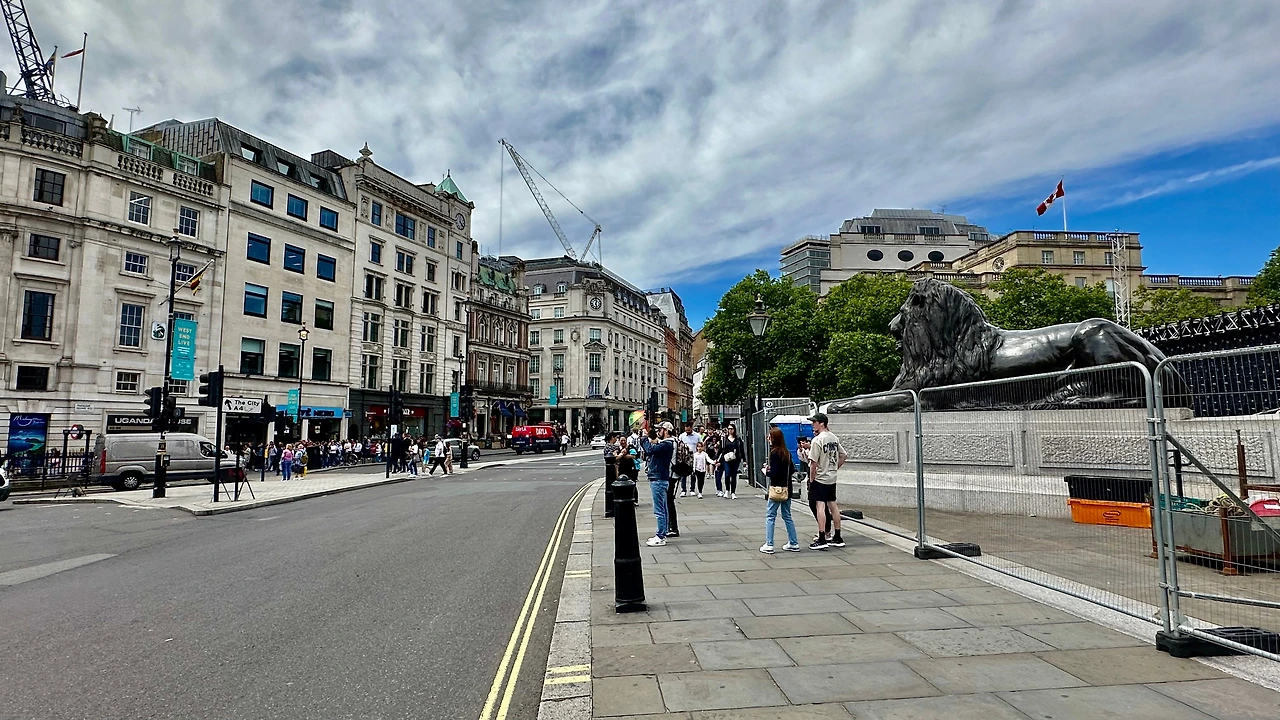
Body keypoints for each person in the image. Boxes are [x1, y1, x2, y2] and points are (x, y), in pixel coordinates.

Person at [807, 412, 848, 550]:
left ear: (822, 423)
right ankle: (838, 536)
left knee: (820, 505)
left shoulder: (817, 440)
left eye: (814, 422)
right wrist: (835, 468)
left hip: (820, 477)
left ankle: (822, 537)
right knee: (833, 505)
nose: (813, 424)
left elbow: (813, 463)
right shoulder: (833, 438)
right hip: (831, 476)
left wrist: (812, 479)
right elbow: (844, 455)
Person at [760, 428, 801, 553]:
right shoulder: (786, 453)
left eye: (770, 437)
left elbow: (775, 473)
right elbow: (792, 469)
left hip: (776, 489)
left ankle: (769, 544)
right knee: (787, 515)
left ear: (774, 438)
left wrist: (766, 471)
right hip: (787, 488)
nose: (768, 439)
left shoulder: (774, 453)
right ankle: (793, 542)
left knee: (770, 515)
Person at [639, 422, 676, 547]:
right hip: (660, 478)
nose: (658, 432)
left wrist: (644, 438)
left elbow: (650, 450)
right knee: (663, 509)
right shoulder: (666, 443)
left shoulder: (667, 444)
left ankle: (660, 536)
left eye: (660, 429)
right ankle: (662, 533)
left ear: (666, 431)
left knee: (659, 510)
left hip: (659, 479)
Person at [720, 425, 745, 499]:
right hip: (726, 459)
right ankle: (727, 490)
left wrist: (744, 460)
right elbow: (721, 450)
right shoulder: (725, 439)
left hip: (735, 459)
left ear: (734, 430)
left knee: (734, 475)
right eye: (729, 429)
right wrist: (718, 460)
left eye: (731, 429)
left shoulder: (738, 439)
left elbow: (742, 450)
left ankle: (733, 492)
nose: (730, 430)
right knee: (727, 474)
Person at [677, 424, 701, 496]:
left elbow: (700, 444)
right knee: (683, 474)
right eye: (686, 430)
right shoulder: (682, 436)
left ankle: (692, 489)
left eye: (688, 430)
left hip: (694, 456)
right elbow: (679, 445)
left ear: (691, 428)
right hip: (684, 457)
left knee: (693, 473)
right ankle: (683, 490)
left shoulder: (697, 436)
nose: (687, 431)